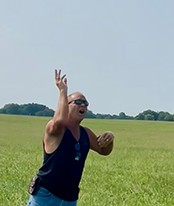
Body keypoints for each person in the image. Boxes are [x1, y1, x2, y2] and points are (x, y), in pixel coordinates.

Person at [26, 69, 115, 206]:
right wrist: (63, 92)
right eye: (78, 102)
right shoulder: (55, 129)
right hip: (46, 195)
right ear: (66, 106)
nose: (83, 105)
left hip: (70, 198)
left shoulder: (85, 133)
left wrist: (110, 138)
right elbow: (60, 120)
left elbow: (104, 151)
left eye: (86, 103)